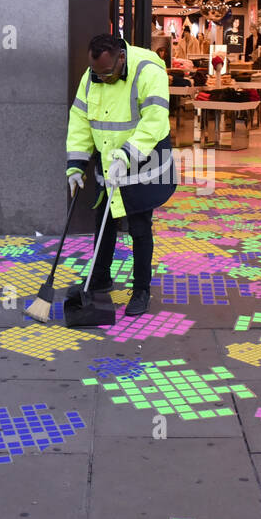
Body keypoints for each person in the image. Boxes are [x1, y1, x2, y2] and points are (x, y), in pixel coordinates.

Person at [66, 34, 176, 317]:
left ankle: (141, 290)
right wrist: (76, 165)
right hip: (108, 158)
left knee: (140, 226)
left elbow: (154, 121)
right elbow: (80, 118)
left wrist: (126, 155)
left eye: (106, 73)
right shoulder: (93, 75)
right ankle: (100, 278)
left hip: (143, 160)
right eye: (96, 73)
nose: (101, 78)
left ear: (121, 58)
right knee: (103, 220)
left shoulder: (148, 70)